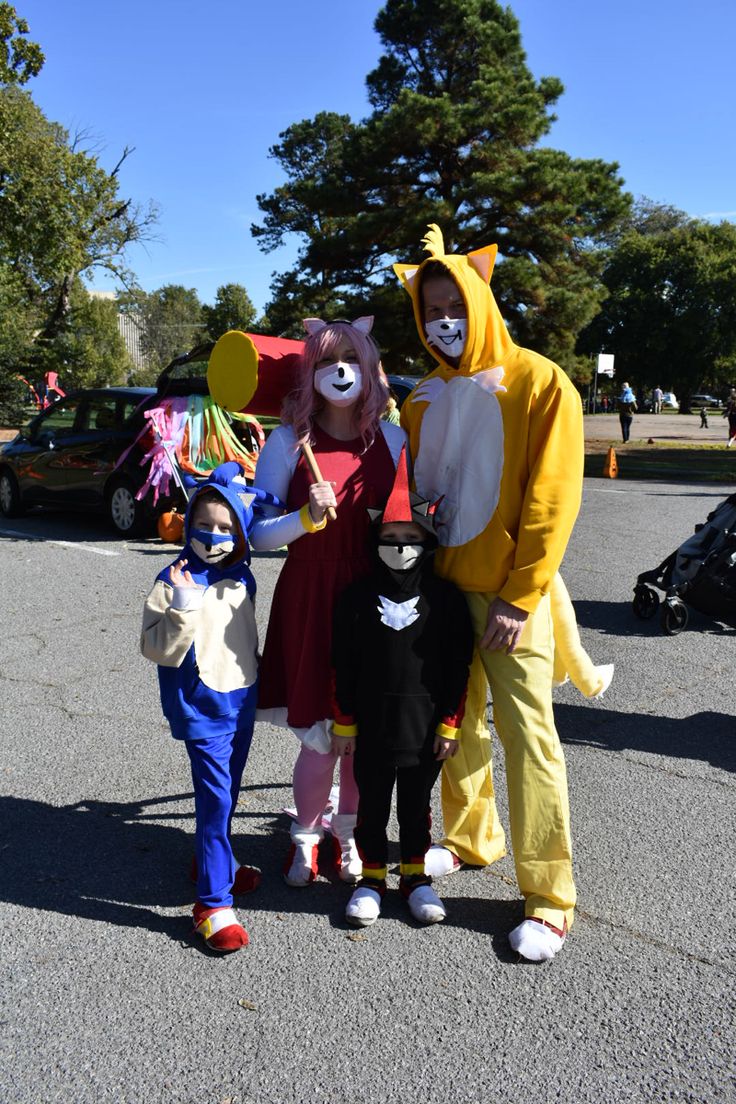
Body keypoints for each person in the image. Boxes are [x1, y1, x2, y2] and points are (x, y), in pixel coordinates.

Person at [393, 224, 584, 962]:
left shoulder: (540, 381)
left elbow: (553, 499)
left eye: (454, 305)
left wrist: (520, 595)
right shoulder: (421, 395)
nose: (444, 320)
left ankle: (550, 895)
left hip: (508, 598)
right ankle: (472, 839)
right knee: (455, 727)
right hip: (438, 591)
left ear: (479, 300)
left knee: (529, 738)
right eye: (430, 308)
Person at [250, 317, 406, 887]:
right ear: (309, 374)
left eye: (351, 360)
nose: (339, 372)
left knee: (362, 737)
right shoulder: (288, 442)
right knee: (320, 738)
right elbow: (257, 533)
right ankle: (305, 840)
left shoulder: (391, 439)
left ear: (369, 371)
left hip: (375, 598)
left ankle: (352, 835)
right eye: (324, 362)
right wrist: (304, 519)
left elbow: (407, 521)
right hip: (312, 595)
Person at [331, 448, 474, 927]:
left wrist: (450, 725)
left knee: (415, 807)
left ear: (427, 541)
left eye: (410, 537)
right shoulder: (354, 597)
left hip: (425, 726)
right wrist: (344, 722)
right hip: (370, 724)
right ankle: (371, 878)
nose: (399, 545)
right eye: (389, 537)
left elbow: (459, 666)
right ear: (375, 541)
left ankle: (415, 876)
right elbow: (343, 663)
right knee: (372, 805)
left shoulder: (447, 600)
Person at [141, 461, 276, 953]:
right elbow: (155, 649)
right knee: (215, 801)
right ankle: (212, 903)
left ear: (241, 534)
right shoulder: (172, 577)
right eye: (204, 525)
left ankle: (214, 860)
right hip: (201, 709)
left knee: (229, 792)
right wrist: (182, 603)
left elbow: (243, 637)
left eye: (225, 528)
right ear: (188, 523)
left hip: (241, 701)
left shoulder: (243, 578)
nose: (213, 536)